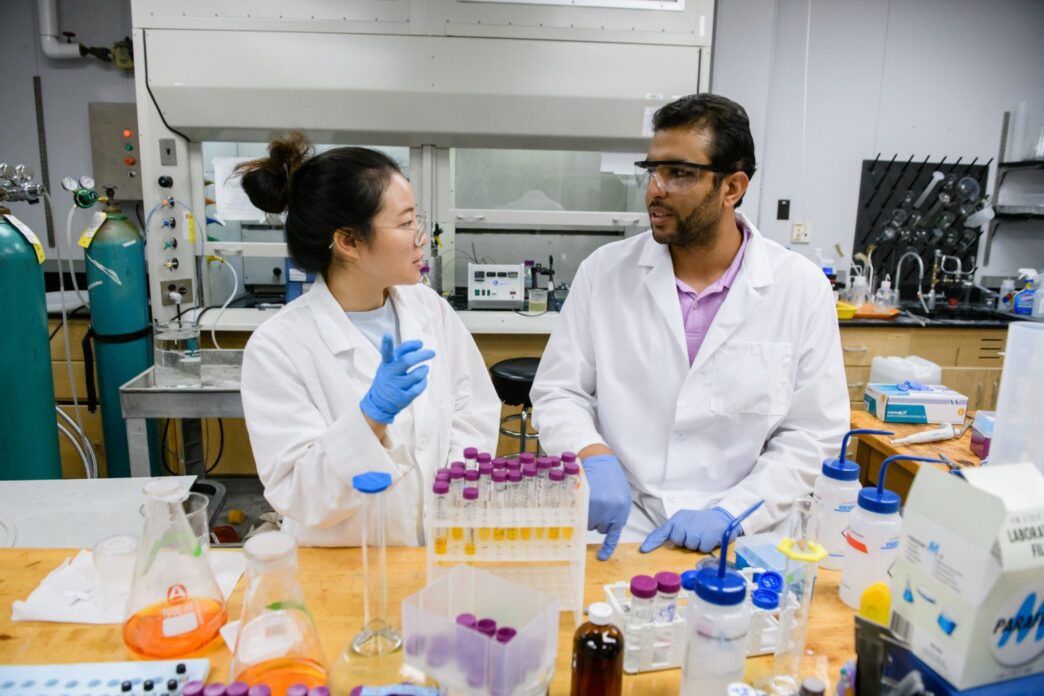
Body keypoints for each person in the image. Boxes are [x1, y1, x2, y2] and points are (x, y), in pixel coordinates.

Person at [531, 94, 848, 561]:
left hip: (745, 532)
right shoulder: (605, 272)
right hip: (625, 523)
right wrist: (591, 453)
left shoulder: (799, 288)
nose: (654, 190)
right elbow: (560, 392)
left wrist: (731, 514)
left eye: (679, 173)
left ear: (732, 187)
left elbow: (812, 434)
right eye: (652, 171)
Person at [238, 134, 500, 546]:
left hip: (433, 548)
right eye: (406, 223)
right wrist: (370, 418)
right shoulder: (278, 346)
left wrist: (456, 489)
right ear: (349, 241)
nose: (421, 237)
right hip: (339, 561)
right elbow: (298, 493)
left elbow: (473, 410)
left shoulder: (429, 309)